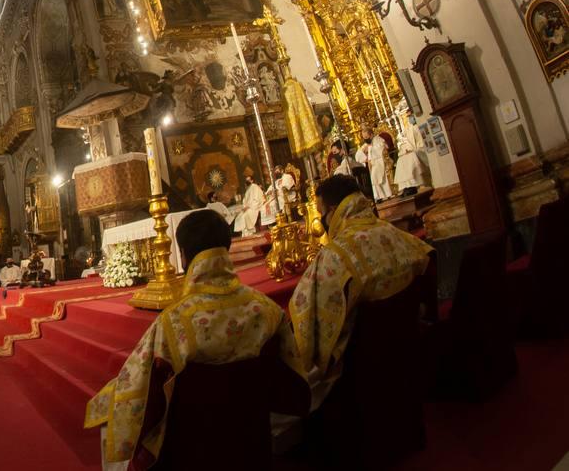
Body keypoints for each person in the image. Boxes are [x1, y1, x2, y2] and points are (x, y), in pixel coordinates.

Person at [84, 210, 304, 468]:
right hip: (254, 446)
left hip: (191, 453)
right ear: (227, 246)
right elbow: (293, 383)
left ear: (185, 256)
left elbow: (139, 389)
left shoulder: (173, 323)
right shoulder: (268, 311)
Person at [288, 176, 433, 404]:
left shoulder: (335, 255)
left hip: (364, 363)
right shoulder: (392, 231)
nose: (323, 220)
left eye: (321, 213)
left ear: (334, 210)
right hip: (406, 345)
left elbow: (309, 317)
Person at [392, 113, 429, 195]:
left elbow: (422, 141)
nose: (409, 118)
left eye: (410, 116)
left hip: (420, 149)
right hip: (413, 150)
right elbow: (408, 142)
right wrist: (407, 149)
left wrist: (414, 149)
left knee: (411, 158)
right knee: (401, 160)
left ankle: (415, 184)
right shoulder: (408, 128)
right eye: (408, 117)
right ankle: (406, 186)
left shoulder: (420, 125)